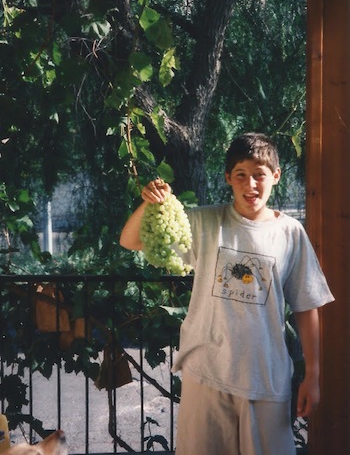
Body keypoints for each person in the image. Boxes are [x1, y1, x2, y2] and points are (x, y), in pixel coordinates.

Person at [119, 132, 334, 455]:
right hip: (206, 375)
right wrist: (147, 204)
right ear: (228, 179)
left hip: (268, 379)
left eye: (259, 175)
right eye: (241, 175)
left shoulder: (290, 233)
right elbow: (130, 241)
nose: (251, 186)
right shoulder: (204, 222)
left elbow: (307, 305)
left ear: (275, 176)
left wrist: (313, 376)